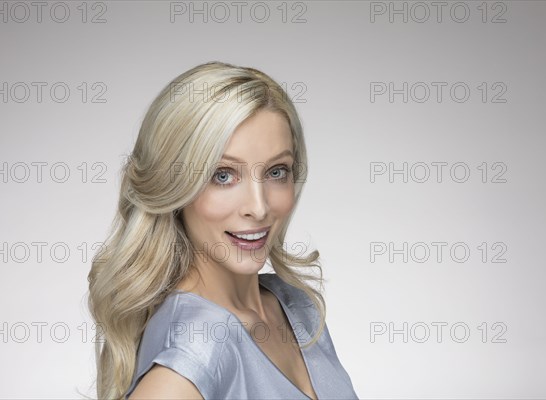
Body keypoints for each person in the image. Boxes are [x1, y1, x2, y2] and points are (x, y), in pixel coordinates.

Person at [87, 61, 358, 399]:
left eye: (276, 172)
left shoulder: (293, 305)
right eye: (223, 175)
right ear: (174, 187)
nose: (258, 207)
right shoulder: (195, 350)